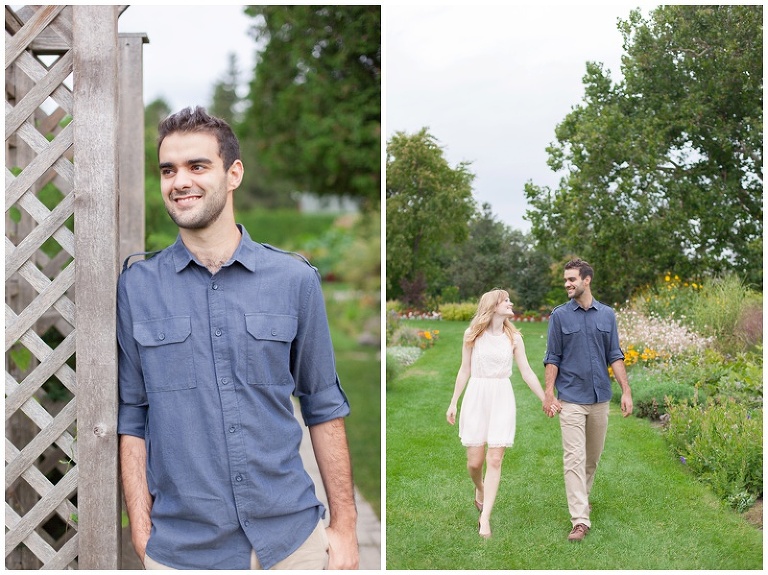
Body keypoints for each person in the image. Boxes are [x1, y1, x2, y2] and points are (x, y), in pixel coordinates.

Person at [117, 106, 359, 569]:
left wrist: (345, 529)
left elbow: (324, 404)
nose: (179, 181)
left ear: (234, 174)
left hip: (291, 543)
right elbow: (133, 414)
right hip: (182, 551)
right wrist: (143, 534)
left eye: (197, 166)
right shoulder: (137, 287)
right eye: (168, 170)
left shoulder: (294, 279)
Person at [446, 289, 552, 539]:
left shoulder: (514, 338)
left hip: (502, 397)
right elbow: (464, 370)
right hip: (477, 395)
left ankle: (485, 518)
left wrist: (545, 398)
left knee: (494, 460)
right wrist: (453, 402)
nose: (510, 303)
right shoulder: (472, 335)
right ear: (493, 306)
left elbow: (526, 372)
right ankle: (479, 488)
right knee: (474, 463)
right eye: (506, 301)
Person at [542, 258, 633, 542]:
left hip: (599, 398)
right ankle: (580, 520)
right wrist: (548, 394)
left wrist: (626, 390)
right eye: (565, 280)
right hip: (570, 397)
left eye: (572, 279)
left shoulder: (606, 315)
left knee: (591, 459)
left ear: (587, 280)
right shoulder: (559, 316)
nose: (567, 284)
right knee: (574, 458)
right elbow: (552, 358)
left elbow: (615, 355)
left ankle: (582, 497)